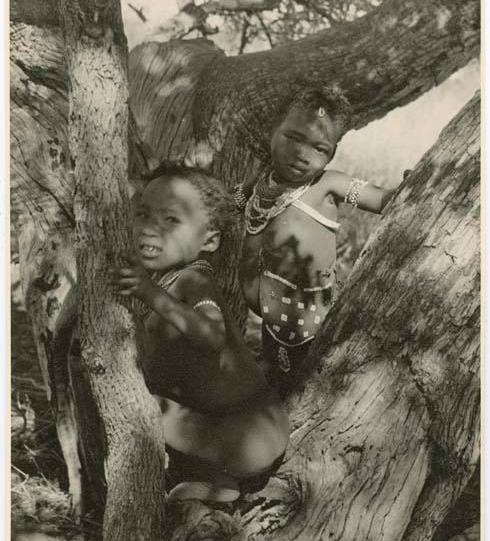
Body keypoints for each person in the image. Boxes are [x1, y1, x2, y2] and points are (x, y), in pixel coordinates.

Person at [111, 164, 289, 503]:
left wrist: (148, 293)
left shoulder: (194, 279)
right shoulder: (171, 279)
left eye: (171, 221)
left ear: (209, 239)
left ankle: (215, 477)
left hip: (247, 434)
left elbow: (212, 336)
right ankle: (219, 484)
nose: (150, 229)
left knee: (141, 403)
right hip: (243, 435)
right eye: (143, 215)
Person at [238, 84, 396, 393]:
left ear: (333, 152)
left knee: (304, 379)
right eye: (293, 137)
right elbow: (228, 202)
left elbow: (380, 199)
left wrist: (411, 186)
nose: (302, 153)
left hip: (311, 317)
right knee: (273, 374)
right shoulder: (260, 181)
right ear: (273, 130)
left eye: (319, 148)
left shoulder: (329, 185)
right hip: (270, 313)